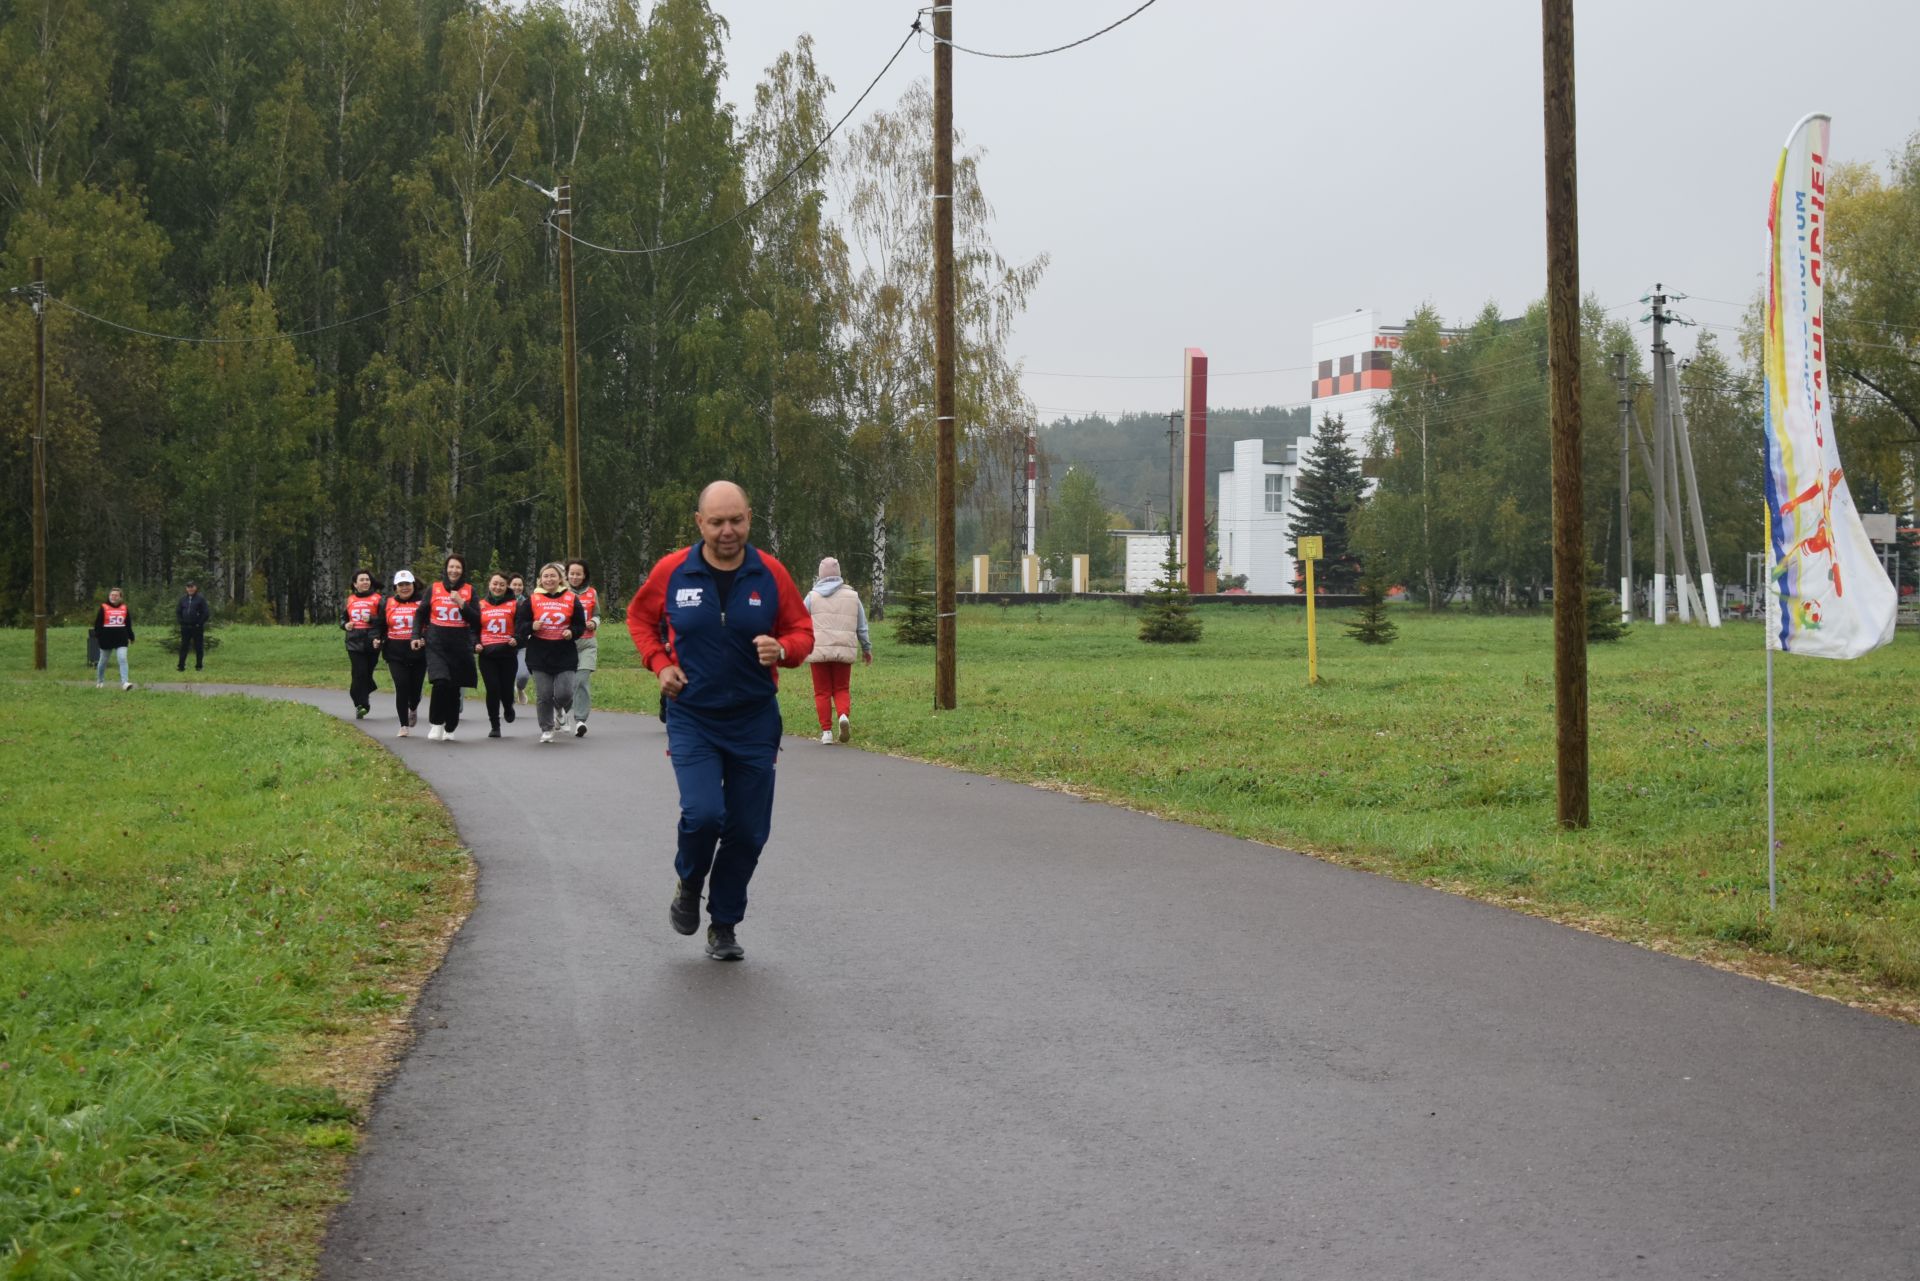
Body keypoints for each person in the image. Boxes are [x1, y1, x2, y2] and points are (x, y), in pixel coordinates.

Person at [626, 481, 813, 962]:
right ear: (699, 523)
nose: (728, 531)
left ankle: (724, 924)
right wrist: (659, 664)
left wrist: (785, 649)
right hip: (694, 717)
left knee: (749, 831)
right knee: (704, 813)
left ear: (750, 517)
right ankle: (689, 881)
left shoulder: (769, 573)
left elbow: (801, 630)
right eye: (717, 522)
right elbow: (639, 618)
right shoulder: (673, 571)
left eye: (737, 520)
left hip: (754, 720)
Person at [802, 556, 873, 745]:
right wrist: (866, 648)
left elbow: (798, 620)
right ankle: (843, 716)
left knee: (822, 691)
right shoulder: (853, 597)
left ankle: (826, 732)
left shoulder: (811, 597)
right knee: (841, 688)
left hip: (819, 651)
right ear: (839, 574)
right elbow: (862, 626)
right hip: (844, 650)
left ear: (820, 575)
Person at [516, 562, 585, 745]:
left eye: (553, 576)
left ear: (560, 579)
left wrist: (572, 631)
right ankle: (546, 728)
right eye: (545, 576)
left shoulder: (571, 598)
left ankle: (559, 709)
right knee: (544, 694)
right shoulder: (532, 600)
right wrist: (531, 626)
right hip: (539, 653)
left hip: (564, 653)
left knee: (565, 693)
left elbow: (580, 625)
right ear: (540, 580)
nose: (549, 579)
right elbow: (519, 625)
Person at [423, 554, 481, 742]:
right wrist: (416, 635)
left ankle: (450, 725)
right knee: (440, 683)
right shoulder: (434, 589)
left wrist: (462, 604)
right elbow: (420, 614)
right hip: (436, 644)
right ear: (446, 569)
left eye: (458, 567)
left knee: (454, 688)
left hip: (459, 645)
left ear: (463, 570)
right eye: (451, 567)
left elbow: (476, 620)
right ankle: (436, 723)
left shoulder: (470, 591)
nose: (454, 570)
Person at [374, 570, 429, 736]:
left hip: (418, 652)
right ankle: (403, 725)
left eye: (407, 584)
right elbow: (381, 625)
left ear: (414, 585)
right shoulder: (388, 603)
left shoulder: (423, 602)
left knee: (415, 690)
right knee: (402, 685)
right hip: (395, 652)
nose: (404, 588)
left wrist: (425, 638)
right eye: (401, 585)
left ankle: (413, 707)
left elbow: (431, 624)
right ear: (395, 587)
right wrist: (377, 638)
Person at [475, 572, 521, 738]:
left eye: (502, 584)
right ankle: (495, 725)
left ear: (506, 586)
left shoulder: (514, 604)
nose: (498, 587)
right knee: (492, 689)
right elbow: (473, 628)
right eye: (495, 583)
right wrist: (475, 643)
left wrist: (517, 639)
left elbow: (521, 626)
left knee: (506, 689)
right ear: (489, 584)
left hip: (507, 653)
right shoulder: (480, 605)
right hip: (487, 655)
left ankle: (508, 706)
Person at [341, 569, 383, 718]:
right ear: (355, 584)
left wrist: (371, 619)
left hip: (372, 641)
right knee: (359, 672)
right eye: (362, 580)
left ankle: (360, 693)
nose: (365, 582)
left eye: (367, 579)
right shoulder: (350, 599)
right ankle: (362, 705)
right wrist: (346, 625)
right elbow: (343, 619)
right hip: (353, 641)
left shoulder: (378, 599)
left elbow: (385, 620)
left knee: (366, 673)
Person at [566, 559, 600, 738]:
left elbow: (597, 614)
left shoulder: (592, 593)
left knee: (582, 679)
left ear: (584, 575)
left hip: (587, 643)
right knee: (565, 685)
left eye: (578, 574)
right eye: (572, 573)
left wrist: (594, 622)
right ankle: (561, 712)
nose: (575, 577)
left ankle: (580, 720)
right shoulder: (561, 593)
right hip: (566, 644)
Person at [92, 588, 135, 690]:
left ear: (120, 597)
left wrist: (131, 636)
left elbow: (128, 624)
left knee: (123, 658)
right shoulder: (104, 607)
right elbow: (97, 624)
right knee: (103, 661)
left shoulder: (124, 608)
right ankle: (100, 681)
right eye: (112, 595)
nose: (113, 597)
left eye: (116, 595)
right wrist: (99, 636)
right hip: (106, 639)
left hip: (121, 639)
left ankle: (125, 683)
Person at [175, 581, 210, 672]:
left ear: (195, 588)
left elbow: (206, 612)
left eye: (192, 587)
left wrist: (199, 623)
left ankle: (199, 666)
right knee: (184, 646)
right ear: (186, 588)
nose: (190, 589)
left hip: (197, 627)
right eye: (188, 587)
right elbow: (178, 611)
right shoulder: (183, 599)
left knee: (198, 647)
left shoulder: (200, 599)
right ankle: (181, 666)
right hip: (185, 627)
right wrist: (181, 622)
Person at [509, 573, 532, 705]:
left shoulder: (528, 603)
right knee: (508, 675)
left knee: (522, 675)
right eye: (514, 585)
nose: (517, 587)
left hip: (523, 644)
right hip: (505, 644)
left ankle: (520, 689)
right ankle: (508, 702)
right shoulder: (503, 602)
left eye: (520, 585)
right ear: (508, 586)